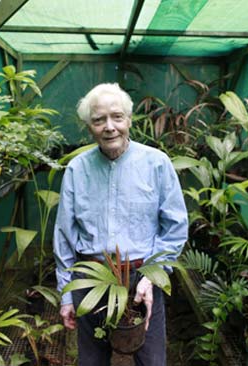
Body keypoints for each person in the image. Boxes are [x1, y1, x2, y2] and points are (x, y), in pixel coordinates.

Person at [53, 83, 188, 365]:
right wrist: (66, 296)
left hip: (143, 280)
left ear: (129, 119)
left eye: (117, 117)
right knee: (91, 361)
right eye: (98, 120)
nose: (109, 127)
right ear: (89, 126)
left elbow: (175, 227)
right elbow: (65, 236)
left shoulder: (157, 164)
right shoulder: (77, 169)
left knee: (151, 361)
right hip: (91, 279)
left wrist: (154, 275)